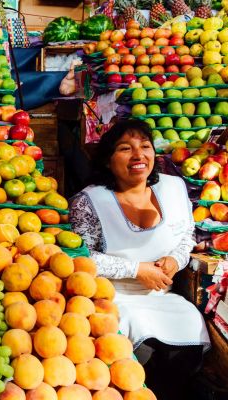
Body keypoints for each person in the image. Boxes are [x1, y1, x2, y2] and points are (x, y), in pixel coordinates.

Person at [69, 119, 210, 399]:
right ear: (108, 161)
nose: (138, 155)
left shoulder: (173, 188)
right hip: (113, 297)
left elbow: (186, 236)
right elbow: (81, 258)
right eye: (125, 148)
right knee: (141, 350)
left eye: (145, 146)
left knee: (191, 335)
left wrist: (175, 259)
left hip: (163, 297)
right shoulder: (89, 201)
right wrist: (136, 269)